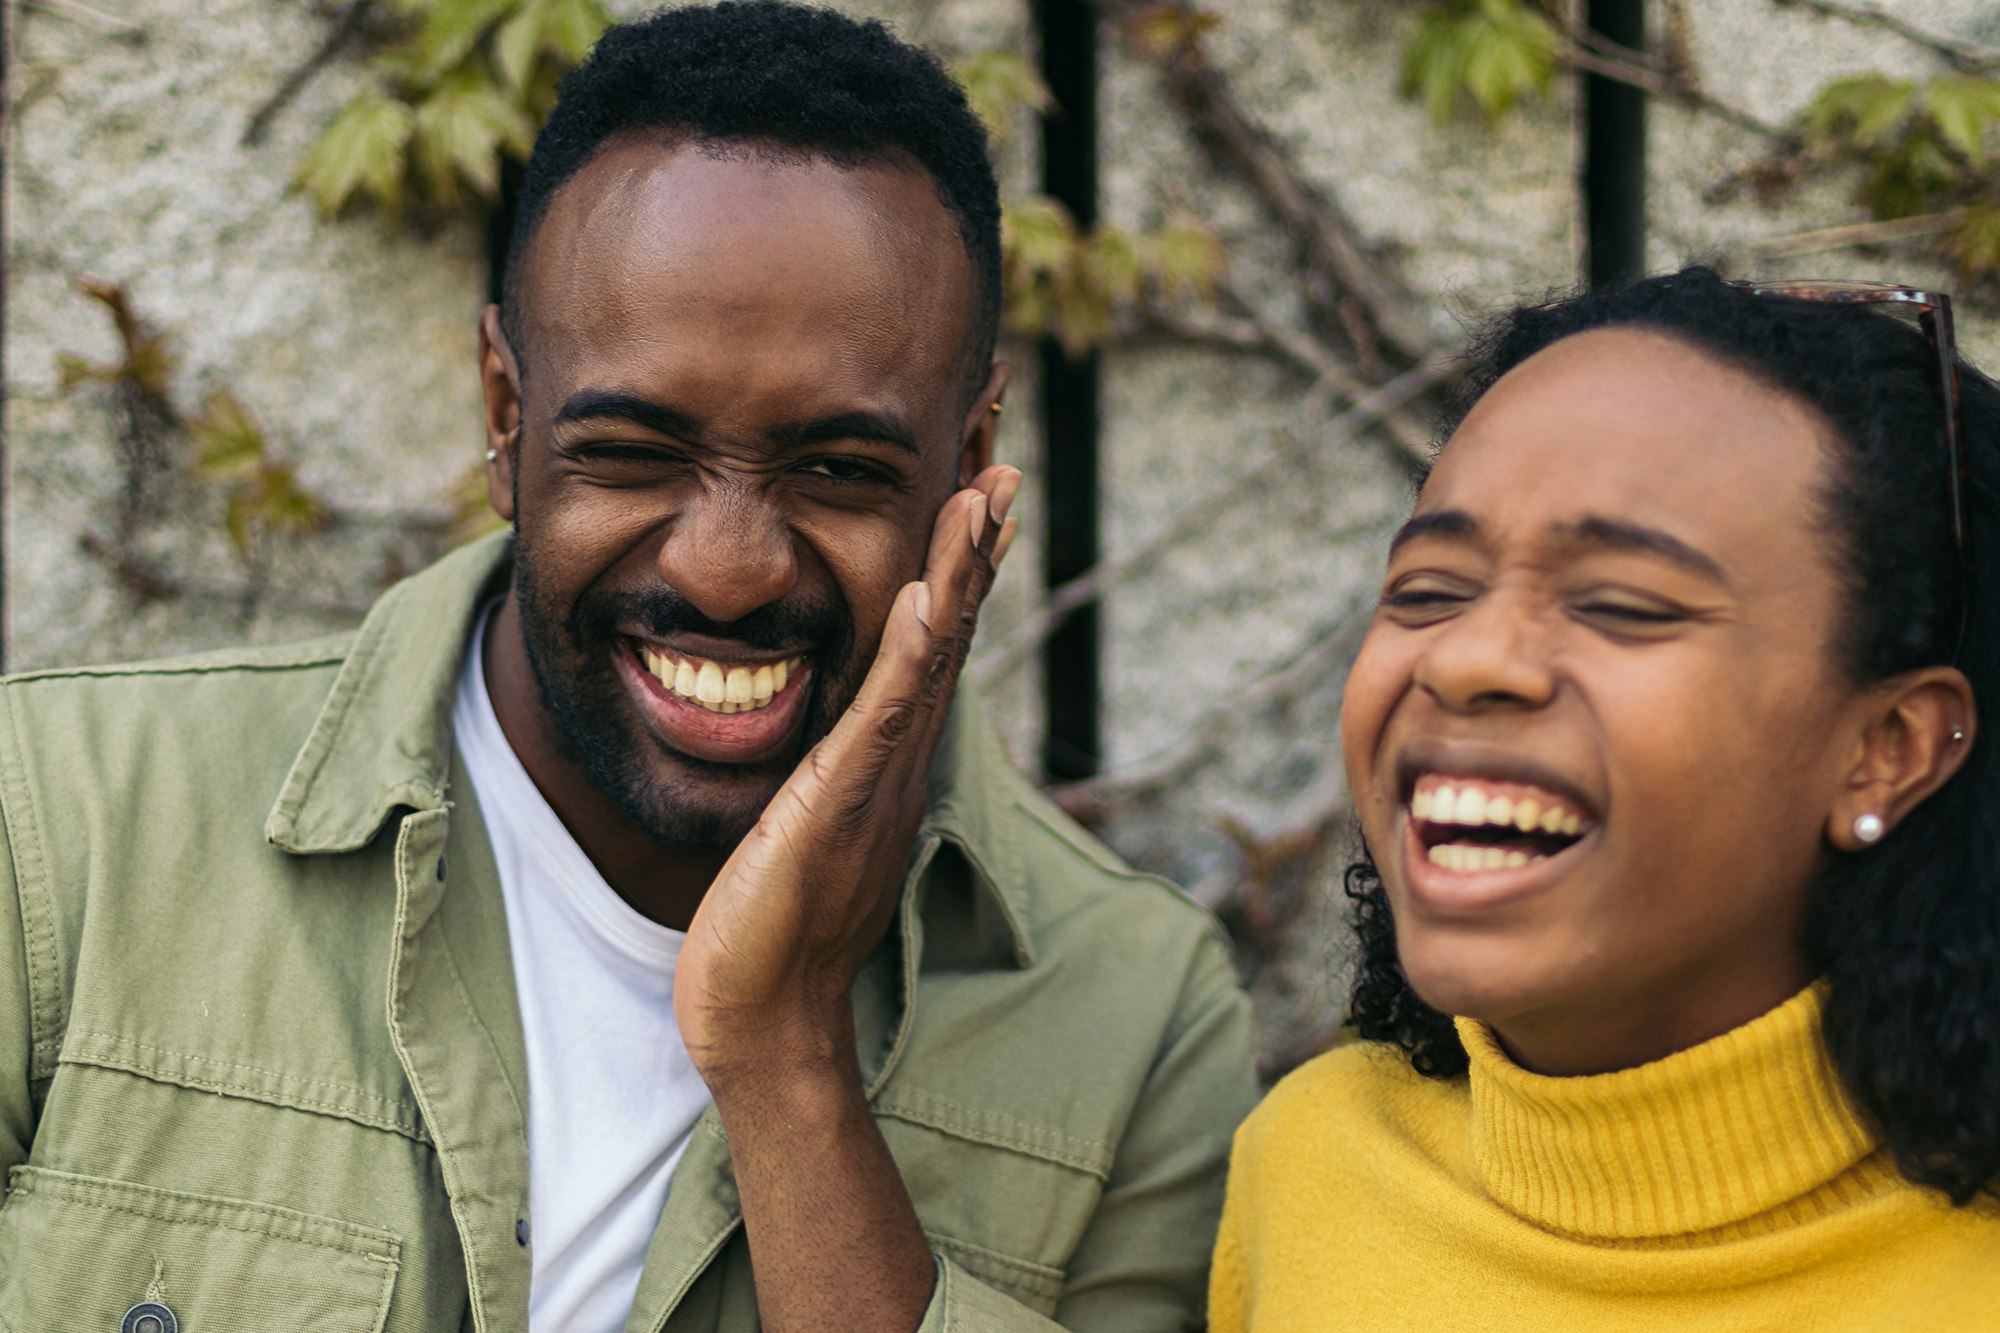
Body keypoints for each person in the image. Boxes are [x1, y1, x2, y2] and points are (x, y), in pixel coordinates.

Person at [0, 5, 1258, 1331]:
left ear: (970, 459)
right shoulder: (62, 840)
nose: (727, 571)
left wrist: (787, 1062)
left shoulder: (1132, 1023)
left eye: (839, 469)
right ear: (505, 416)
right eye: (635, 452)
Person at [1211, 265, 2000, 1330]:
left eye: (1620, 604)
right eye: (1428, 590)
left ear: (1884, 750)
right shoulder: (1311, 1164)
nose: (1466, 658)